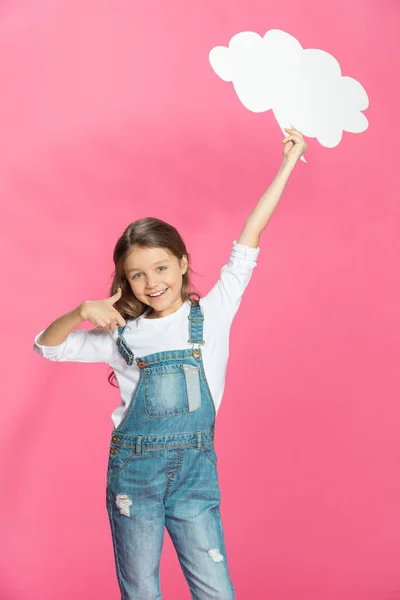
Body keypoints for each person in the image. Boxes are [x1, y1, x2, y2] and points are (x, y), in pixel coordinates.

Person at [33, 127, 307, 600]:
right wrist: (80, 312)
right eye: (136, 274)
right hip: (133, 477)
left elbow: (250, 238)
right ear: (126, 280)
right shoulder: (121, 332)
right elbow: (46, 346)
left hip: (195, 473)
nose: (150, 282)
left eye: (160, 267)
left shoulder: (214, 311)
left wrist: (288, 162)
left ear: (182, 263)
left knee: (215, 589)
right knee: (139, 589)